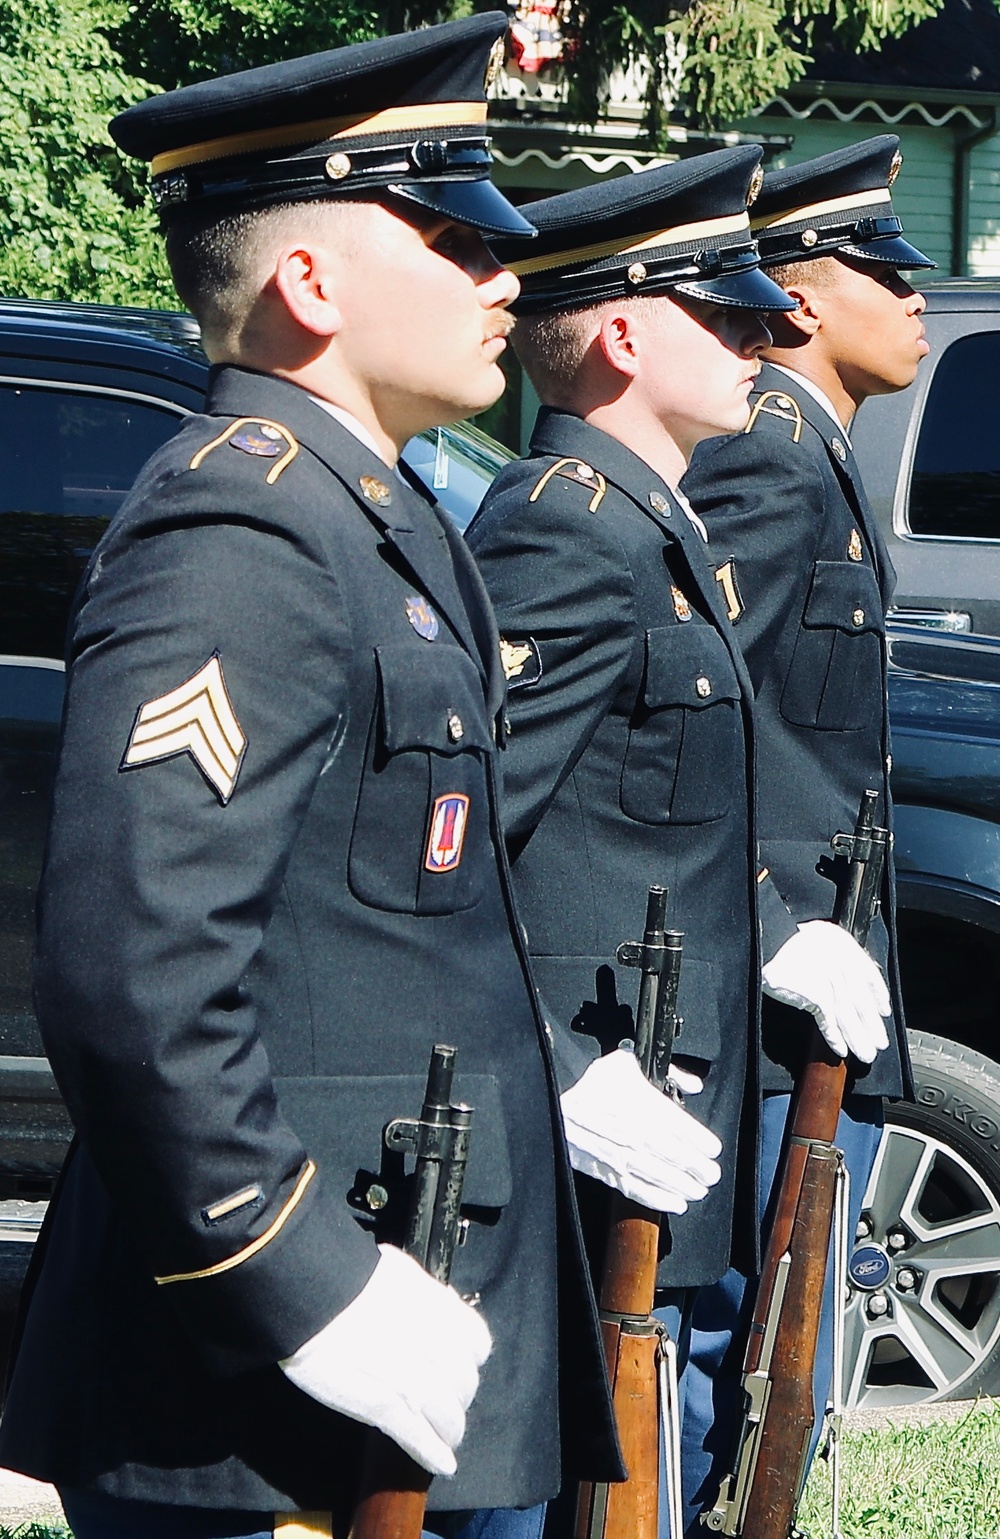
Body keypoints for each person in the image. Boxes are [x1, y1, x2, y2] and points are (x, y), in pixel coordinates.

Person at [0, 17, 717, 1538]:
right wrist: (302, 1283)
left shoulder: (371, 515)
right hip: (277, 1383)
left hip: (422, 1293)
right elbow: (136, 972)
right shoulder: (242, 535)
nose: (505, 278)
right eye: (454, 237)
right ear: (310, 284)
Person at [466, 148, 819, 1534]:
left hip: (657, 1146)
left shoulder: (647, 527)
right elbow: (462, 853)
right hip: (579, 1156)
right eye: (724, 316)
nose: (761, 336)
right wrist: (557, 1069)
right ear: (621, 335)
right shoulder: (568, 537)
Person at [680, 135, 934, 1526]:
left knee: (794, 1343)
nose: (914, 300)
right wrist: (783, 935)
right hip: (763, 999)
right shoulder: (765, 461)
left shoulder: (809, 456)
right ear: (796, 295)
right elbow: (685, 725)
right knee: (747, 1343)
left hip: (815, 994)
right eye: (876, 273)